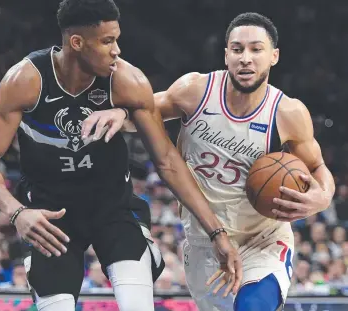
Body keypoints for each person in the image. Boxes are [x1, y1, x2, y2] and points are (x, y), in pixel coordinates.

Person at [0, 1, 241, 310]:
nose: (117, 50)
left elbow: (167, 162)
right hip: (49, 215)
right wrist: (17, 213)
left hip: (113, 209)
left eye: (117, 39)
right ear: (77, 43)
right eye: (107, 41)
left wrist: (217, 231)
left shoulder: (127, 82)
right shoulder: (25, 82)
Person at [86, 12, 336, 311]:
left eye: (256, 49)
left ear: (274, 56)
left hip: (262, 240)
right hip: (204, 243)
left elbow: (318, 167)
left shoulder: (288, 113)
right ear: (226, 55)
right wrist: (121, 113)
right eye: (237, 49)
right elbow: (145, 112)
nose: (246, 58)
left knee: (254, 306)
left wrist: (322, 196)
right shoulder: (195, 91)